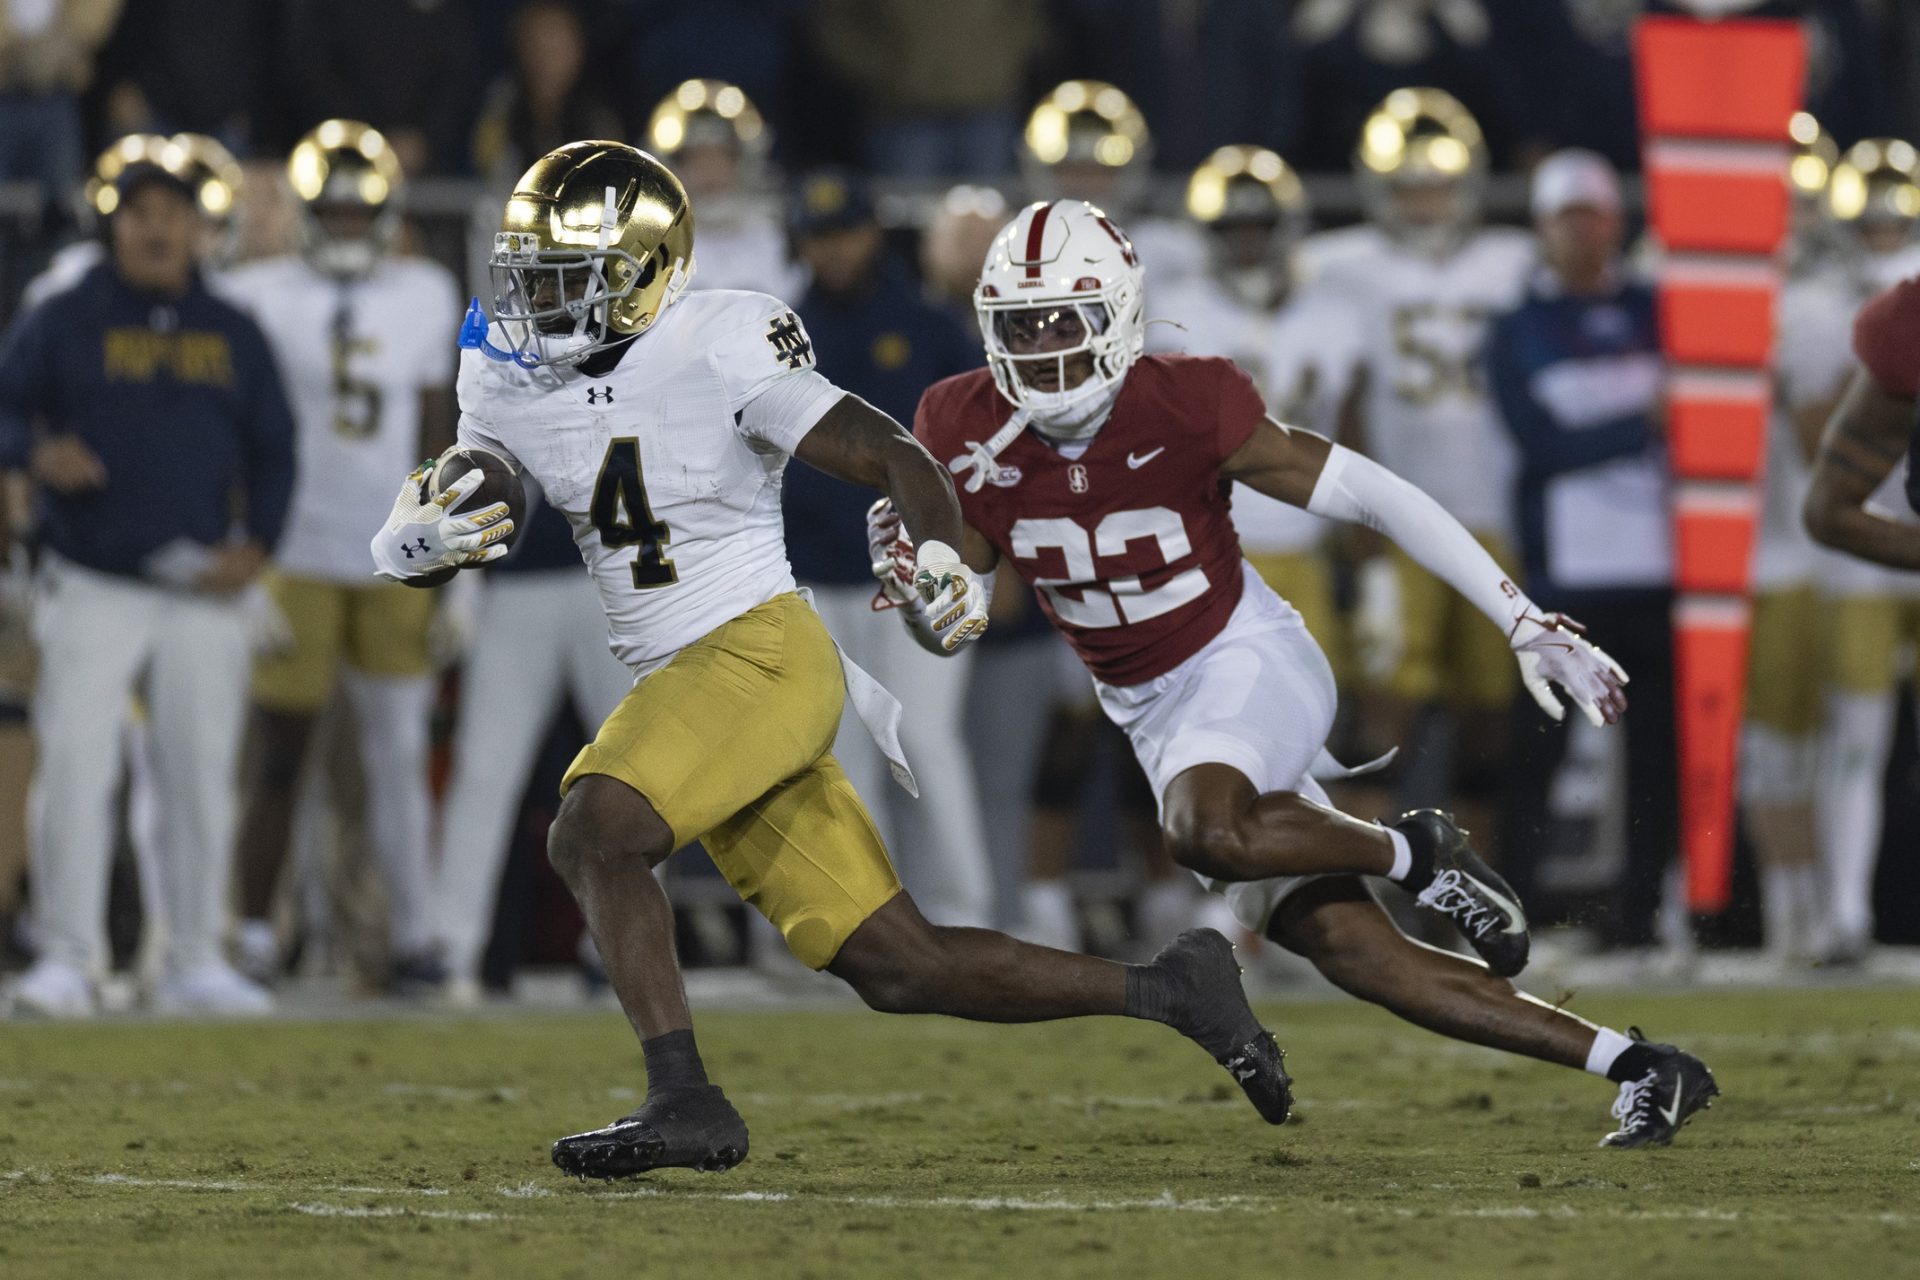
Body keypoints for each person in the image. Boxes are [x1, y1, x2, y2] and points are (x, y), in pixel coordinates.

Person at [370, 141, 1293, 1175]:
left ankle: (685, 1095)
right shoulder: (504, 360)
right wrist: (430, 528)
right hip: (692, 678)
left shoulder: (720, 340)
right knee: (902, 964)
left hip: (755, 655)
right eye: (525, 272)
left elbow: (894, 452)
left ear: (642, 272)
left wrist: (945, 554)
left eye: (561, 276)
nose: (530, 302)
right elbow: (489, 469)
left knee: (593, 829)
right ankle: (1172, 987)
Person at [890, 196, 1716, 1148]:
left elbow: (1373, 493)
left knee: (1203, 829)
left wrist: (1519, 617)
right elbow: (963, 615)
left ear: (1117, 313)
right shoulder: (956, 420)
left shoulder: (1186, 399)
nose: (1040, 348)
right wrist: (927, 593)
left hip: (1243, 659)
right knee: (1357, 953)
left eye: (1062, 320)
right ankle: (1642, 1067)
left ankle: (1416, 851)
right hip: (1150, 714)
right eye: (1019, 325)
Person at [0, 157, 296, 1016]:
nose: (157, 227)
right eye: (140, 212)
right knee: (78, 768)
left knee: (201, 774)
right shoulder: (65, 316)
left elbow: (276, 445)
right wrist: (33, 454)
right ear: (114, 224)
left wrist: (261, 546)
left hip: (205, 583)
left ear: (201, 229)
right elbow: (7, 404)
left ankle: (198, 956)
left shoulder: (232, 328)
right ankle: (68, 957)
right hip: (93, 575)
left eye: (172, 211)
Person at [222, 120, 463, 990]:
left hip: (392, 550)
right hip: (293, 547)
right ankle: (254, 932)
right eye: (335, 211)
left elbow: (440, 435)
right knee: (279, 756)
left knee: (398, 754)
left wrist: (452, 564)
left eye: (364, 212)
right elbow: (234, 434)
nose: (351, 225)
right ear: (302, 211)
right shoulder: (255, 293)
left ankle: (414, 935)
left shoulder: (427, 291)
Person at [1300, 87, 1535, 859]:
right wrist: (1362, 548)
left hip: (1496, 518)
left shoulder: (1514, 261)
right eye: (1408, 186)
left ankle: (1471, 901)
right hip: (1399, 526)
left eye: (1437, 182)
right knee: (1383, 714)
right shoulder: (1339, 268)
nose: (1426, 201)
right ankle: (1358, 890)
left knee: (1492, 721)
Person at [781, 169, 992, 928]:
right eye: (819, 237)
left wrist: (975, 548)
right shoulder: (783, 331)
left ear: (872, 234)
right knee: (841, 755)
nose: (834, 252)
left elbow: (976, 446)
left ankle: (963, 914)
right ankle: (866, 920)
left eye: (845, 234)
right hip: (817, 572)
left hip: (921, 565)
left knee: (925, 737)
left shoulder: (930, 326)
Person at [1483, 151, 1677, 956]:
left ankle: (1644, 913)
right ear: (1543, 228)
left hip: (1661, 566)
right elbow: (1540, 447)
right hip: (1566, 573)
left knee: (1656, 752)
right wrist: (1644, 424)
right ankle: (1511, 912)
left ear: (1615, 222)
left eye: (1592, 215)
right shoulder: (1517, 328)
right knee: (1540, 750)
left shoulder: (1658, 309)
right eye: (1567, 218)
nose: (1582, 232)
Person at [431, 490, 634, 1002]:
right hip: (517, 581)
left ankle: (624, 951)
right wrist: (463, 585)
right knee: (484, 770)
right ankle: (451, 949)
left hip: (618, 576)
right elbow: (477, 467)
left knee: (637, 772)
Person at [1797, 139, 1920, 965]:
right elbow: (1830, 510)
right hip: (1868, 571)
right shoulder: (1904, 327)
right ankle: (1840, 913)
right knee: (1856, 734)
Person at [643, 78, 798, 298]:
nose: (709, 172)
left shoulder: (780, 240)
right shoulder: (655, 247)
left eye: (720, 157)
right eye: (696, 159)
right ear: (674, 169)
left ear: (744, 162)